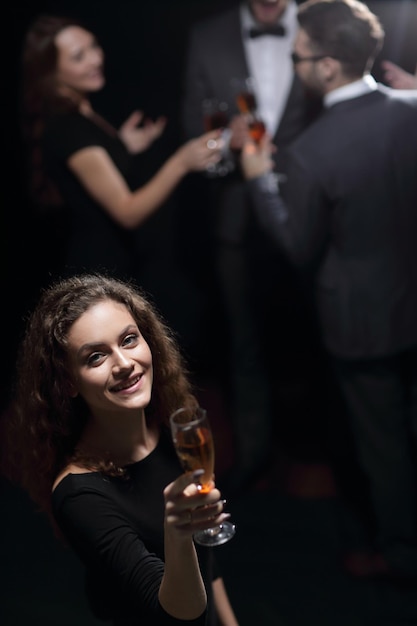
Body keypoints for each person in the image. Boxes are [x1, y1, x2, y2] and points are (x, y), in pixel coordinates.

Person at [241, 0, 417, 581]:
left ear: (327, 66)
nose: (294, 66)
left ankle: (400, 555)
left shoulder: (312, 152)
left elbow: (296, 246)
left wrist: (261, 181)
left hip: (363, 322)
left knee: (384, 448)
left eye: (298, 58)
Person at [1, 273, 239, 626]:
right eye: (96, 356)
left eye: (129, 340)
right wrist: (177, 531)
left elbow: (207, 562)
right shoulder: (78, 495)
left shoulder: (173, 430)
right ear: (68, 383)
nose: (124, 363)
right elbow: (178, 615)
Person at [181, 0, 324, 494]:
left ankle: (323, 454)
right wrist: (224, 142)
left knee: (321, 335)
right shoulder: (207, 35)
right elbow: (193, 129)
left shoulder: (318, 22)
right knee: (245, 345)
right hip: (237, 219)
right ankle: (256, 456)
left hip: (311, 209)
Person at [19, 14, 223, 319]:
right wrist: (180, 162)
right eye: (79, 56)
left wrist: (121, 145)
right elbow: (127, 212)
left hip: (121, 263)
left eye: (94, 47)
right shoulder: (68, 128)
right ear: (51, 71)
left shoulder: (81, 111)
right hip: (100, 270)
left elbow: (93, 165)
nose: (96, 59)